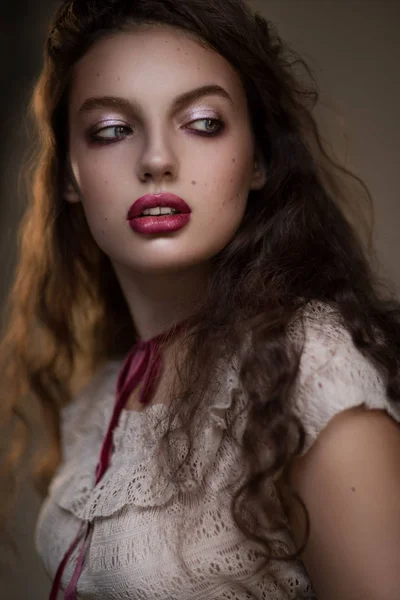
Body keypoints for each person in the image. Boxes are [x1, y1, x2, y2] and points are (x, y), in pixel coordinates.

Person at [1, 0, 400, 598]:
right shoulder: (102, 391)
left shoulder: (311, 371)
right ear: (69, 175)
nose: (158, 160)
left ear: (259, 159)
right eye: (112, 131)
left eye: (204, 122)